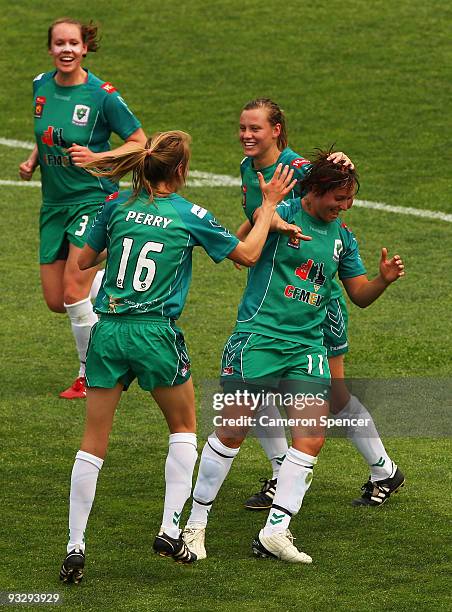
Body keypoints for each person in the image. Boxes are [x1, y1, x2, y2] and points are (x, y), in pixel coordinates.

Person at [58, 130, 300, 583]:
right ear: (181, 172)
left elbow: (86, 262)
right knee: (183, 428)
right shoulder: (189, 214)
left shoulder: (115, 207)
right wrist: (268, 206)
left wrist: (124, 234)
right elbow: (246, 254)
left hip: (107, 332)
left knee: (92, 445)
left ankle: (75, 547)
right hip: (155, 336)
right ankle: (170, 529)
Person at [182, 151, 405, 563]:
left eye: (349, 198)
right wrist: (267, 213)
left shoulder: (342, 237)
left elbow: (358, 295)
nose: (344, 206)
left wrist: (382, 281)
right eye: (338, 197)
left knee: (311, 437)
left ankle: (275, 531)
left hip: (307, 347)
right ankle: (194, 526)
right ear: (316, 191)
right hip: (258, 339)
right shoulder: (279, 214)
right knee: (232, 432)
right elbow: (241, 251)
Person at [234, 98, 403, 510]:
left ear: (277, 130)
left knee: (332, 397)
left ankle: (381, 469)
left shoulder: (298, 172)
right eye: (242, 127)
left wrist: (339, 160)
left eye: (255, 128)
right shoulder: (248, 168)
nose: (247, 135)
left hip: (313, 307)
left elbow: (332, 183)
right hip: (277, 298)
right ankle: (282, 473)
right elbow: (260, 214)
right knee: (258, 390)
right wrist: (240, 243)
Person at [19, 18, 146, 399]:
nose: (66, 50)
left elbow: (140, 141)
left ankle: (91, 375)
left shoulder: (102, 95)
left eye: (73, 43)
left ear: (84, 48)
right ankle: (118, 279)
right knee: (57, 300)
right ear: (50, 49)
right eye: (59, 43)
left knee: (74, 289)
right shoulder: (40, 85)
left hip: (93, 199)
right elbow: (49, 134)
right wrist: (34, 159)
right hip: (53, 204)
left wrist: (98, 156)